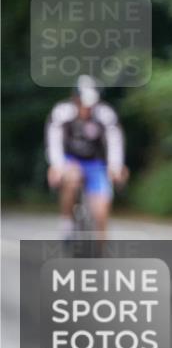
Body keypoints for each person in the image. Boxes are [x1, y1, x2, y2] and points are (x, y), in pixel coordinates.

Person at [45, 75, 129, 244]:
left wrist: (116, 167)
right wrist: (57, 166)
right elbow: (54, 141)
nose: (86, 109)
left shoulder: (105, 114)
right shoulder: (62, 112)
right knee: (72, 178)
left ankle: (100, 253)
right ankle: (67, 223)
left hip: (96, 164)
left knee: (101, 210)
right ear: (74, 99)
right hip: (70, 161)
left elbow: (115, 141)